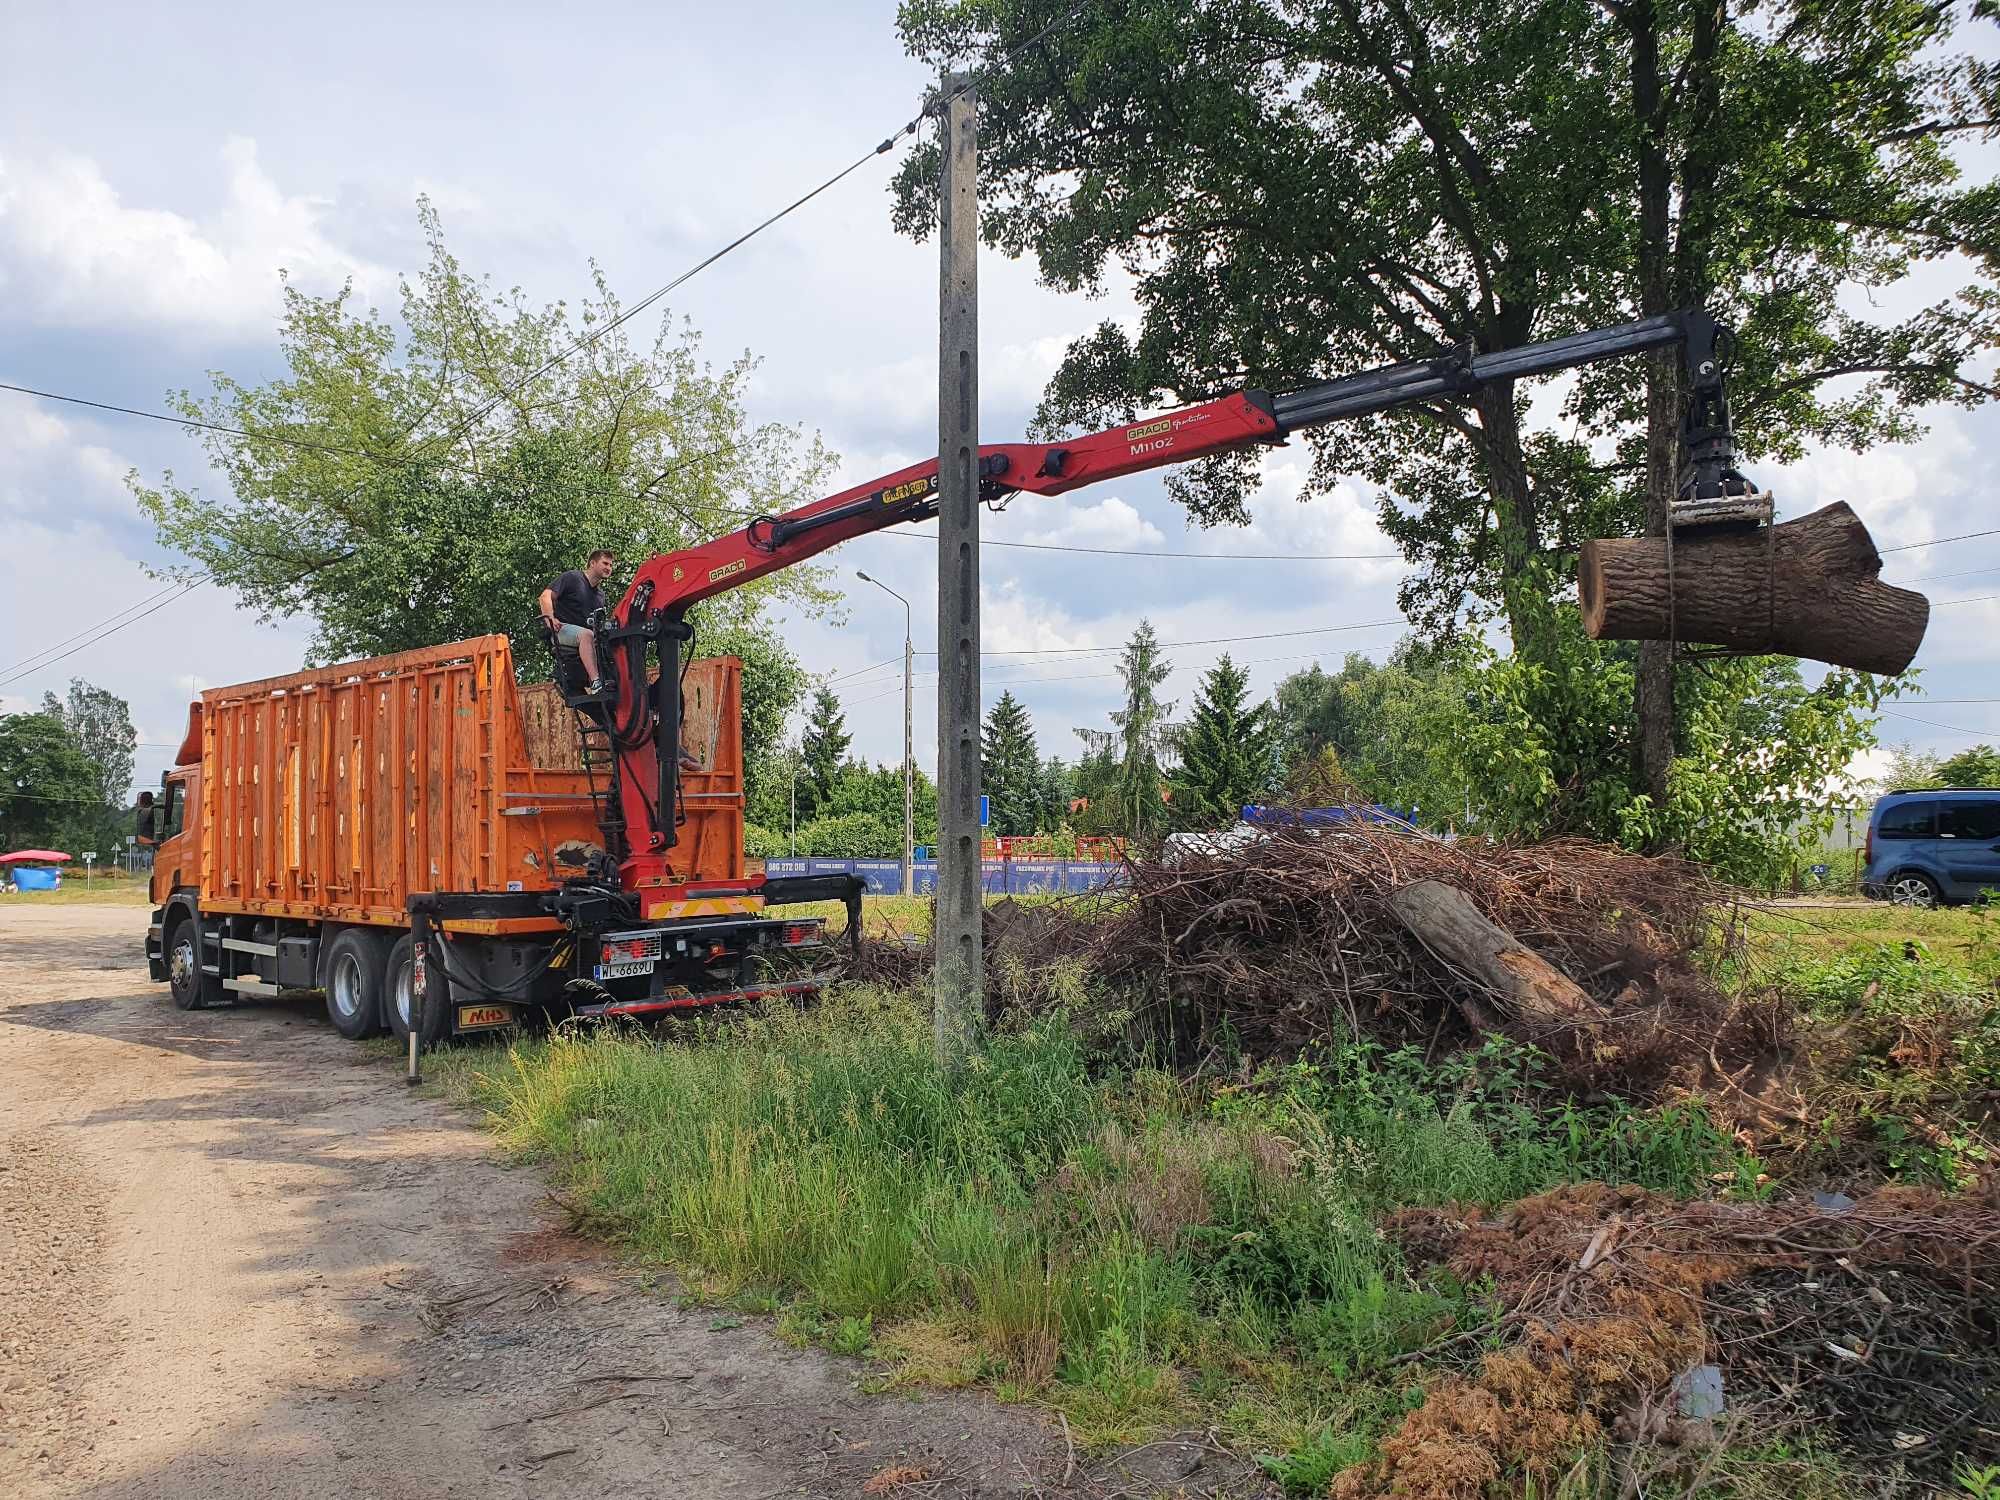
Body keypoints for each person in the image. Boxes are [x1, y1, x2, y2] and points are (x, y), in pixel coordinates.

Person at [539, 549, 617, 697]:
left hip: (586, 637)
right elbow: (545, 596)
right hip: (561, 630)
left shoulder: (600, 596)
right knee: (586, 635)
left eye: (611, 565)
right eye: (605, 563)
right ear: (592, 563)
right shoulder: (573, 578)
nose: (608, 568)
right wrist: (550, 618)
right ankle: (596, 682)